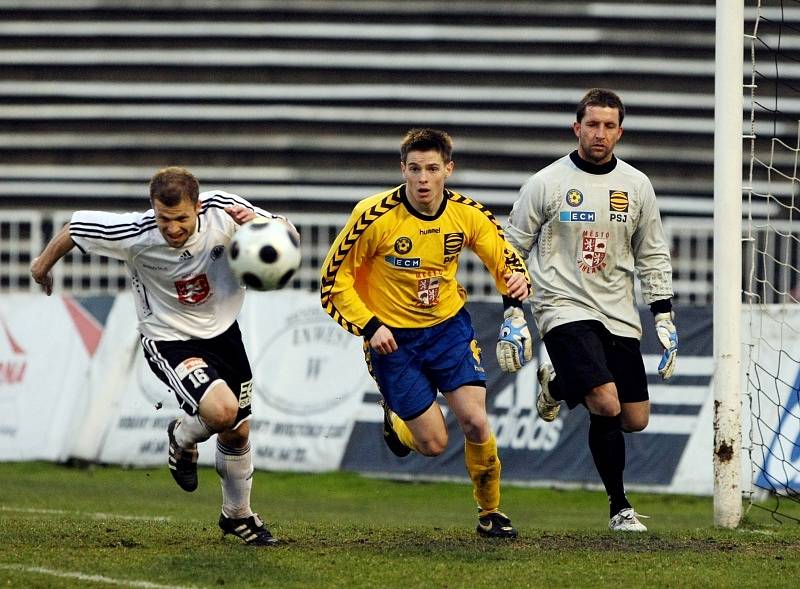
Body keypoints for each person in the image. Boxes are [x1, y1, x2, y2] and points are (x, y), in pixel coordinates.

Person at [30, 166, 297, 546]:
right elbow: (75, 228)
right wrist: (41, 267)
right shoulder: (135, 233)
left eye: (181, 219)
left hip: (224, 335)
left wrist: (260, 224)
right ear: (152, 209)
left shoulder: (224, 211)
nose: (172, 228)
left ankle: (237, 515)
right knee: (221, 413)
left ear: (198, 207)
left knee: (238, 432)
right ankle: (182, 436)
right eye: (164, 218)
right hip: (169, 339)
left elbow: (290, 235)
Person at [320, 128, 533, 538]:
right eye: (414, 169)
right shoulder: (373, 216)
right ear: (403, 169)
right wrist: (370, 325)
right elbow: (333, 283)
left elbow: (504, 257)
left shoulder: (467, 213)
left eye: (432, 169)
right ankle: (394, 418)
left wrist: (516, 296)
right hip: (393, 341)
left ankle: (490, 513)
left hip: (448, 330)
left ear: (447, 171)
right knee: (434, 444)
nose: (422, 178)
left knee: (474, 420)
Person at [503, 89, 678, 532]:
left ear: (620, 131)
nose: (600, 133)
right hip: (561, 304)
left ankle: (559, 384)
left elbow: (652, 253)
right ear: (576, 127)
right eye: (592, 124)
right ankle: (620, 508)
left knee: (634, 418)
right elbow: (509, 246)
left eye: (609, 126)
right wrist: (513, 312)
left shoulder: (637, 186)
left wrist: (663, 313)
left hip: (618, 310)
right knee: (604, 402)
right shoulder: (547, 183)